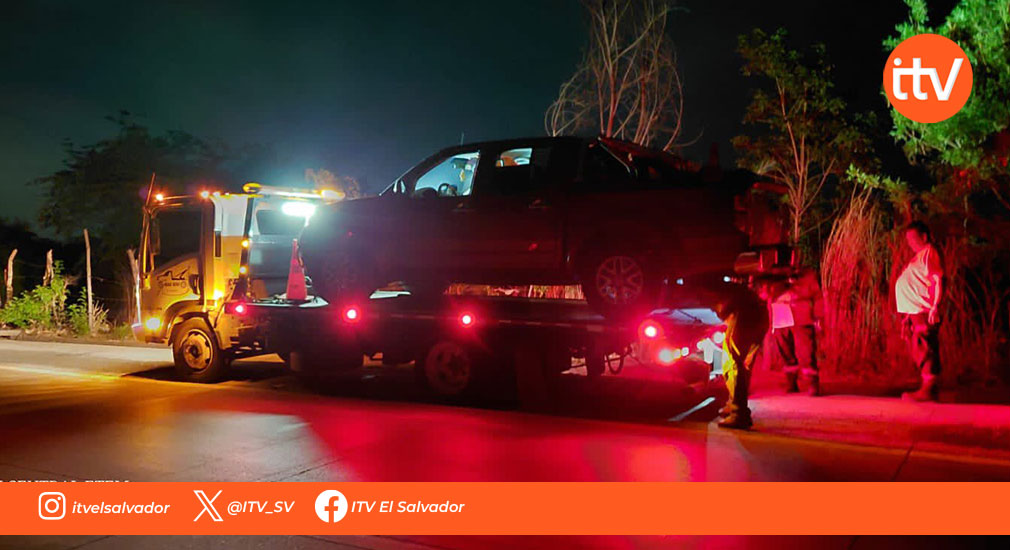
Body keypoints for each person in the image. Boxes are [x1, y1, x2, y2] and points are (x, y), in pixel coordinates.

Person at [895, 221, 943, 401]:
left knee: (925, 345)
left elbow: (937, 280)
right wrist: (907, 314)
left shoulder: (930, 253)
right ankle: (928, 386)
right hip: (915, 310)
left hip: (923, 309)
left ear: (924, 236)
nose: (910, 243)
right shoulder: (919, 256)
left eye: (913, 238)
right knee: (919, 345)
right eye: (908, 240)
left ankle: (929, 388)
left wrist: (935, 306)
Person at [714, 281, 769, 430]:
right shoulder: (742, 292)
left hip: (743, 321)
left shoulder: (721, 292)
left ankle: (739, 414)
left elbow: (724, 311)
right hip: (759, 320)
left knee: (733, 365)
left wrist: (722, 315)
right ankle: (733, 404)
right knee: (744, 365)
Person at [769, 270, 823, 396]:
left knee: (806, 351)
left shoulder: (807, 276)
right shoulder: (773, 275)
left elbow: (816, 295)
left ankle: (812, 383)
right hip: (781, 316)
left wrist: (818, 317)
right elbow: (765, 294)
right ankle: (791, 382)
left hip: (801, 316)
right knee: (785, 351)